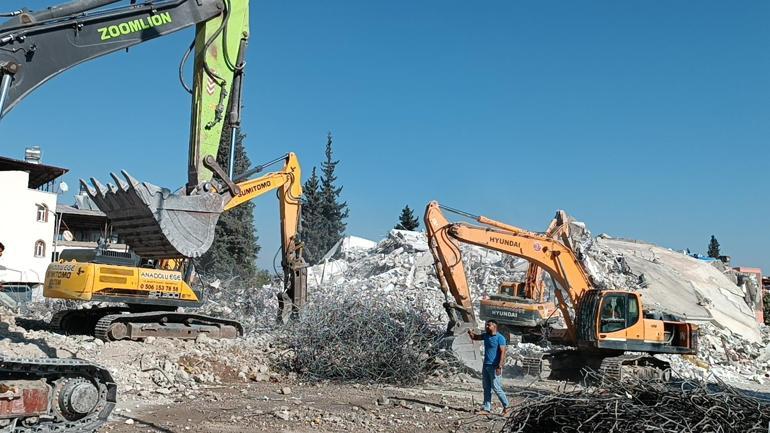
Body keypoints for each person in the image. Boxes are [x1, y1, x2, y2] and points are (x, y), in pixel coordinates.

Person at [468, 319, 511, 415]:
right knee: (486, 387)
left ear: (494, 326)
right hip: (486, 365)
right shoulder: (486, 335)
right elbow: (475, 337)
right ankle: (487, 408)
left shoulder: (500, 338)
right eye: (486, 325)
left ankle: (507, 407)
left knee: (496, 388)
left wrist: (500, 366)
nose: (486, 327)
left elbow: (503, 352)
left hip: (495, 366)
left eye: (489, 325)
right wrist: (470, 332)